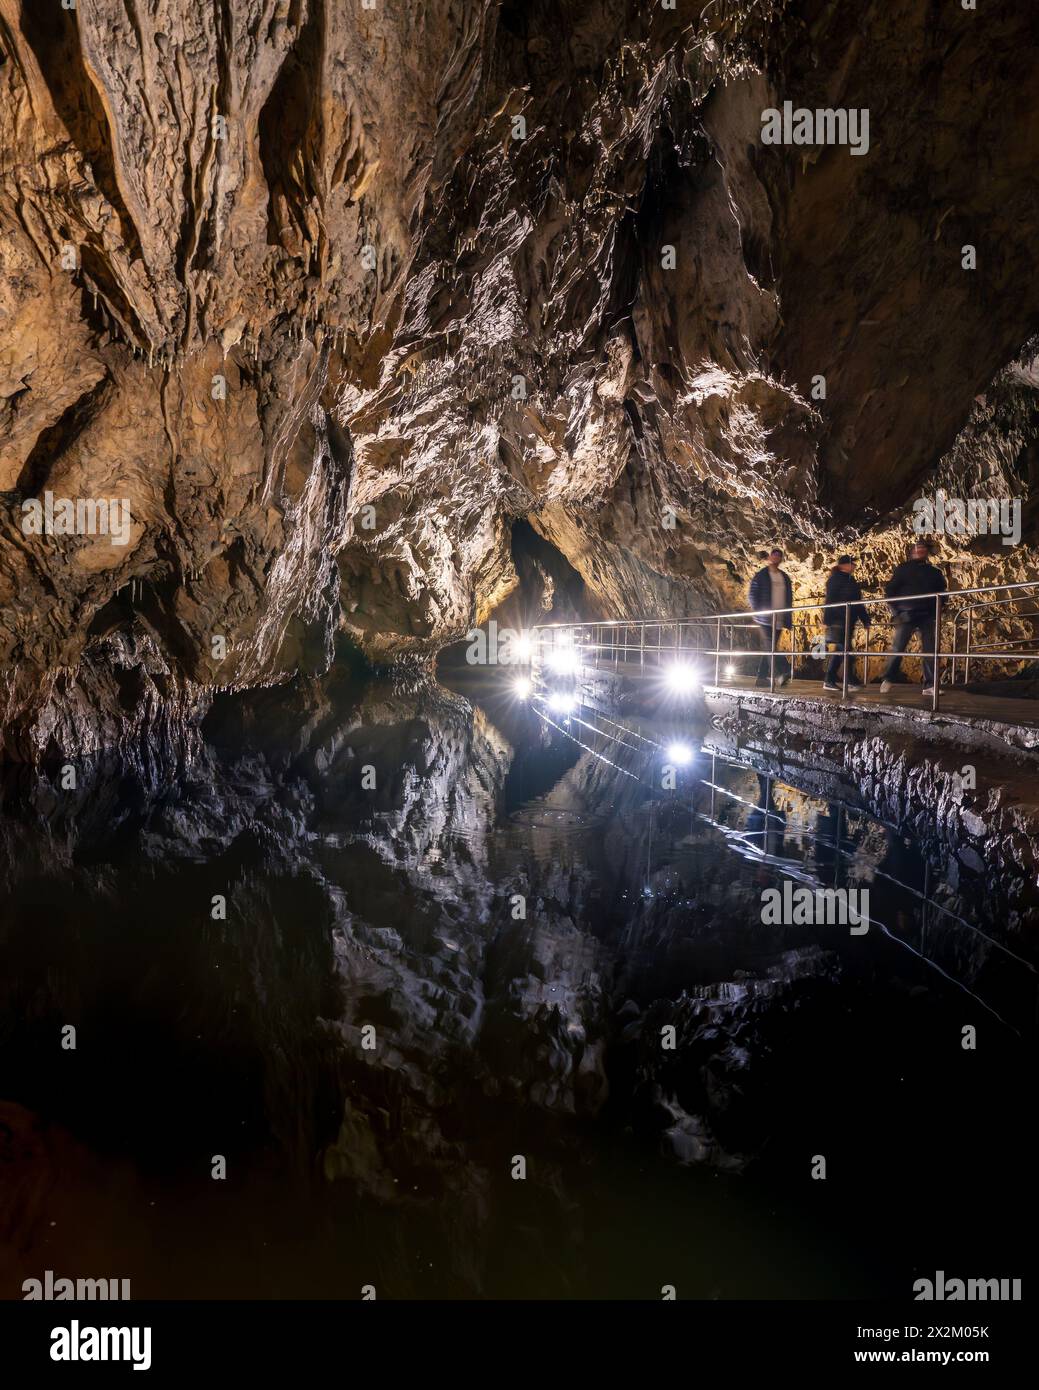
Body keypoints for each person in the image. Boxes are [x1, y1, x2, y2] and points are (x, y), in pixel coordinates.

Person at [879, 540, 946, 693]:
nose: (920, 550)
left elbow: (942, 593)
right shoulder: (903, 569)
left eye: (923, 548)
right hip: (907, 614)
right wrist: (896, 612)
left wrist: (938, 608)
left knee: (931, 650)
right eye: (917, 548)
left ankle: (930, 685)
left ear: (927, 552)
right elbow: (890, 591)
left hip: (927, 615)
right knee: (899, 647)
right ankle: (888, 678)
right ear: (912, 552)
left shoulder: (934, 572)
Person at [821, 555, 870, 691]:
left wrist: (865, 619)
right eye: (851, 563)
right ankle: (848, 680)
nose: (854, 566)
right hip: (839, 619)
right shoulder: (835, 579)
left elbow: (857, 602)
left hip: (849, 619)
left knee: (842, 650)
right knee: (844, 649)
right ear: (843, 565)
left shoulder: (850, 580)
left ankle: (832, 680)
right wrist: (827, 620)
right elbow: (830, 600)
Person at [748, 547, 793, 686]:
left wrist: (787, 617)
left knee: (770, 647)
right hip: (765, 618)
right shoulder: (761, 575)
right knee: (771, 646)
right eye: (774, 555)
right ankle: (782, 672)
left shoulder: (784, 577)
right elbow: (752, 595)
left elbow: (788, 598)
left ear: (781, 559)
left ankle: (761, 678)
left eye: (779, 556)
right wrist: (758, 612)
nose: (776, 558)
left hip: (779, 618)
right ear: (769, 557)